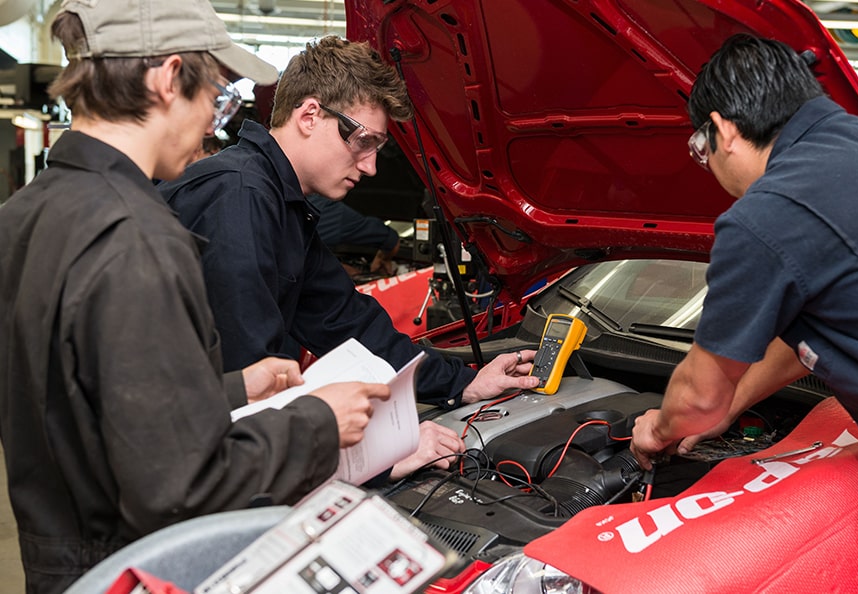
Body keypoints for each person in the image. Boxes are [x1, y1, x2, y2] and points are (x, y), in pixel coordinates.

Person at [0, 2, 391, 591]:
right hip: (135, 567)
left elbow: (85, 404)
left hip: (62, 558)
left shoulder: (25, 213)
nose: (212, 121)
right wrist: (319, 420)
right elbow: (180, 487)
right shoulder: (139, 236)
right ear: (166, 79)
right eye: (211, 93)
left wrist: (231, 387)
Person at [628, 34, 858, 593]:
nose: (708, 168)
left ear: (723, 129)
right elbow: (820, 336)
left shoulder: (769, 211)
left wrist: (657, 429)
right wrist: (734, 403)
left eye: (700, 151)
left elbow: (698, 397)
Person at [159, 35, 538, 482]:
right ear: (309, 115)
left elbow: (349, 325)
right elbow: (248, 385)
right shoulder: (239, 198)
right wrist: (375, 456)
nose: (371, 166)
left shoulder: (278, 203)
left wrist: (463, 384)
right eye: (363, 141)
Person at [308, 196, 401, 277]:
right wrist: (382, 258)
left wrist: (340, 268)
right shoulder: (327, 210)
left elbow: (303, 258)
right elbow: (391, 240)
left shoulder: (308, 203)